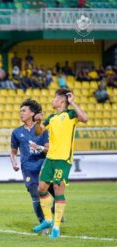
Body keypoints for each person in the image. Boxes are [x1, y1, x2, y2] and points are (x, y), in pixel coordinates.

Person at [32, 88, 88, 238]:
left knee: (57, 189)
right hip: (50, 158)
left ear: (61, 101)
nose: (52, 101)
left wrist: (73, 102)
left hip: (64, 159)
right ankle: (48, 220)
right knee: (41, 188)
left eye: (55, 98)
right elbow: (38, 132)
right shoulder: (51, 118)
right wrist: (37, 122)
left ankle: (56, 227)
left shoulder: (70, 115)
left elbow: (85, 118)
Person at [10, 99, 50, 226]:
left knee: (55, 192)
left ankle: (56, 211)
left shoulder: (42, 130)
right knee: (35, 194)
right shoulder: (16, 132)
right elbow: (13, 152)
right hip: (28, 168)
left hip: (43, 166)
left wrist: (39, 147)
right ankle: (43, 223)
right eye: (20, 111)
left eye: (23, 111)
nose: (20, 113)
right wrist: (14, 163)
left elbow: (48, 150)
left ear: (32, 113)